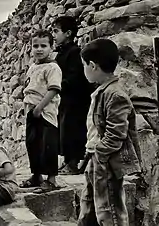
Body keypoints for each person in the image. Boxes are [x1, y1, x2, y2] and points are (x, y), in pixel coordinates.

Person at [77, 38, 141, 226]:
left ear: (92, 66)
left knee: (110, 211)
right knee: (88, 206)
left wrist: (99, 154)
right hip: (95, 158)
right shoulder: (102, 91)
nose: (84, 70)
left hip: (106, 162)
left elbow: (116, 134)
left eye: (84, 65)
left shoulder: (115, 94)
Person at [19, 30, 62, 193]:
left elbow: (53, 90)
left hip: (45, 112)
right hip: (32, 111)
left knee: (48, 145)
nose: (39, 49)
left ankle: (51, 179)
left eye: (43, 45)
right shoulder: (33, 67)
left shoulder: (52, 68)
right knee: (32, 143)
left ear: (51, 47)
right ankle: (36, 175)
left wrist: (39, 108)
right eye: (35, 45)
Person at [52, 16, 93, 174]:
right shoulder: (61, 53)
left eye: (56, 31)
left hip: (76, 99)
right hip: (65, 99)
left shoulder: (75, 52)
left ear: (68, 33)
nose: (54, 35)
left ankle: (73, 163)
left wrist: (58, 85)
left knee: (72, 131)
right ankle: (68, 161)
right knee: (63, 131)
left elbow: (75, 76)